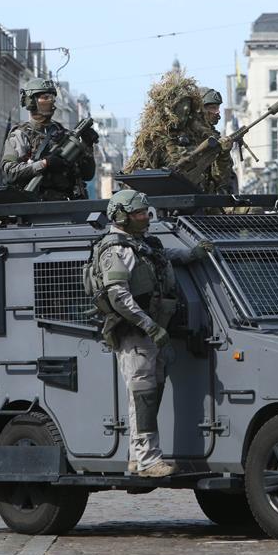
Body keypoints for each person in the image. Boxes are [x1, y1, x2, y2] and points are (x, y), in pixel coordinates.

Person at [91, 189, 212, 477]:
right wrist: (150, 325)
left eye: (146, 212)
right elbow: (118, 296)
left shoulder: (139, 244)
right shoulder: (115, 250)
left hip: (152, 333)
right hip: (135, 334)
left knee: (149, 396)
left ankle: (138, 456)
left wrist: (192, 254)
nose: (145, 217)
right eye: (138, 213)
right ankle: (147, 461)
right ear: (121, 216)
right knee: (144, 397)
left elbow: (162, 257)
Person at [1, 78, 95, 200]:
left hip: (68, 204)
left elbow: (87, 174)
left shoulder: (64, 135)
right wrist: (45, 163)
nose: (51, 101)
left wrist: (88, 146)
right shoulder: (21, 135)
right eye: (45, 97)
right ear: (31, 101)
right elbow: (11, 172)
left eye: (52, 97)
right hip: (35, 206)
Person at [123, 70, 215, 191]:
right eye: (181, 104)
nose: (186, 108)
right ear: (170, 108)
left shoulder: (198, 134)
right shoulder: (154, 138)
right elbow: (139, 175)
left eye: (187, 104)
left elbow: (216, 175)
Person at [197, 87, 237, 194]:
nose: (217, 112)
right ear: (201, 110)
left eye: (218, 107)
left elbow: (222, 179)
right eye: (213, 108)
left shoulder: (215, 136)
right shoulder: (190, 136)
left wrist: (224, 153)